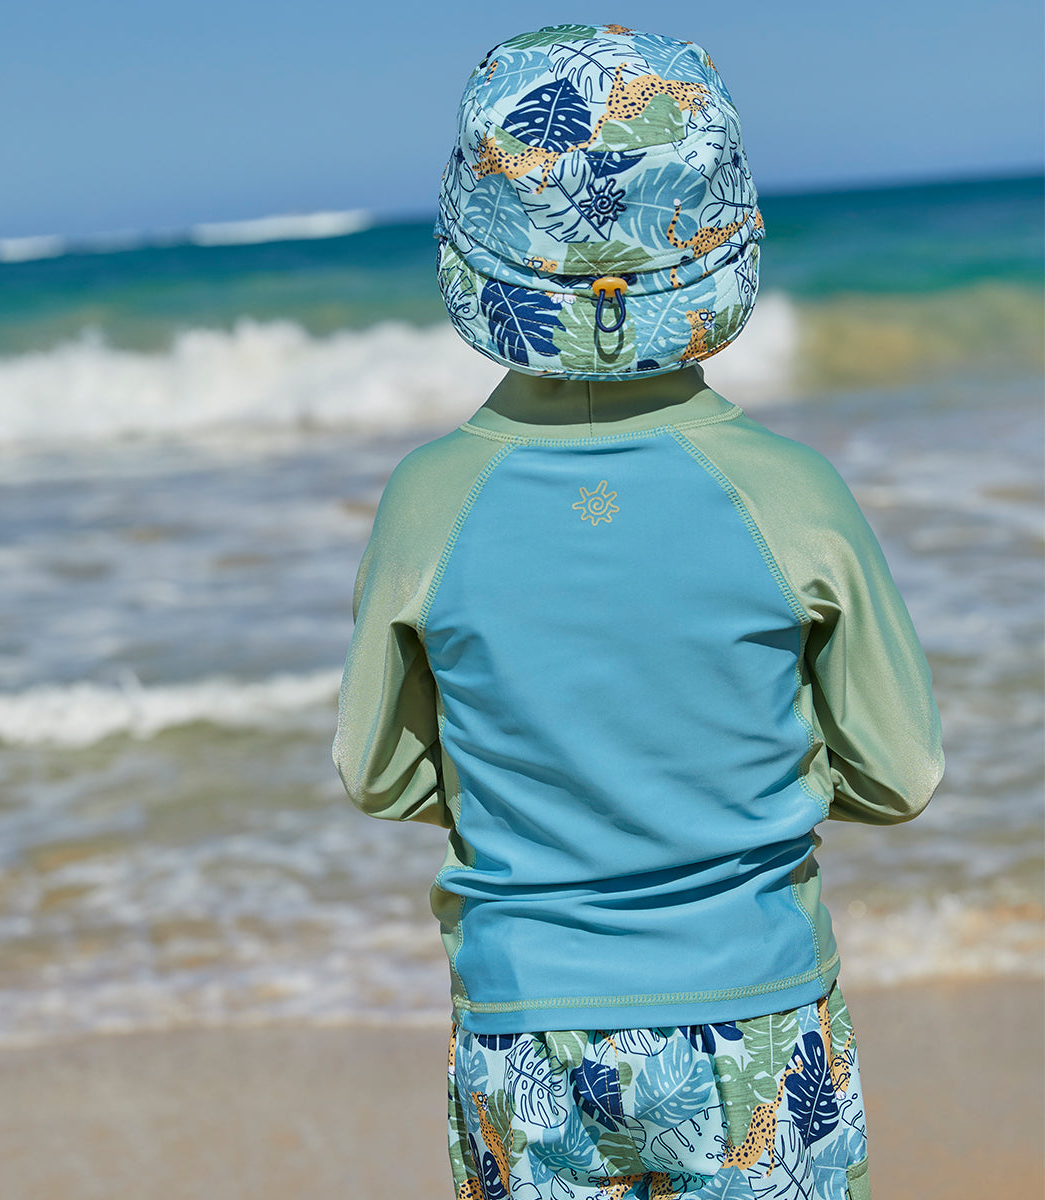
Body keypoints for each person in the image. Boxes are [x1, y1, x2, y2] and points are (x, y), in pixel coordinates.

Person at [334, 25, 942, 1200]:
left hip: (522, 1033)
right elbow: (899, 774)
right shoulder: (788, 491)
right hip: (759, 1025)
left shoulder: (430, 499)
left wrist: (542, 784)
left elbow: (377, 771)